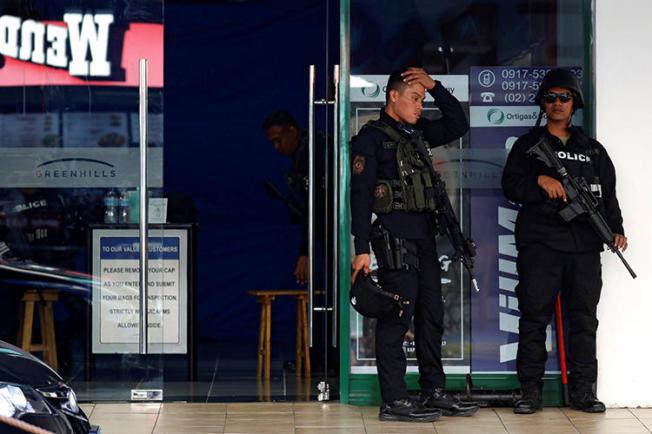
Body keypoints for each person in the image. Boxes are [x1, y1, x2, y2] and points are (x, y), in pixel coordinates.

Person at [350, 66, 478, 422]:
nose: (420, 105)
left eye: (422, 99)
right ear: (393, 96)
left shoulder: (417, 134)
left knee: (431, 316)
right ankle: (394, 400)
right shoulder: (371, 138)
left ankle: (433, 391)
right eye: (414, 98)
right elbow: (360, 196)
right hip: (394, 237)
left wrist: (434, 85)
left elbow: (457, 125)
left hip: (425, 237)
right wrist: (361, 247)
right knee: (397, 317)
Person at [502, 68, 627, 414]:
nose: (557, 104)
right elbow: (510, 186)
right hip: (540, 245)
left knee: (584, 319)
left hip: (584, 248)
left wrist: (616, 229)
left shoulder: (594, 151)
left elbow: (609, 197)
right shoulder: (528, 147)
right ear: (543, 104)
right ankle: (530, 392)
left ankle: (584, 391)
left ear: (575, 103)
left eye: (564, 97)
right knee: (533, 317)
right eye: (551, 98)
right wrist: (540, 181)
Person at [262, 110, 325, 285]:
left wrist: (305, 252)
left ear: (292, 131)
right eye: (272, 143)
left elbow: (317, 205)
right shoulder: (305, 153)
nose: (277, 147)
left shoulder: (315, 153)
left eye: (278, 140)